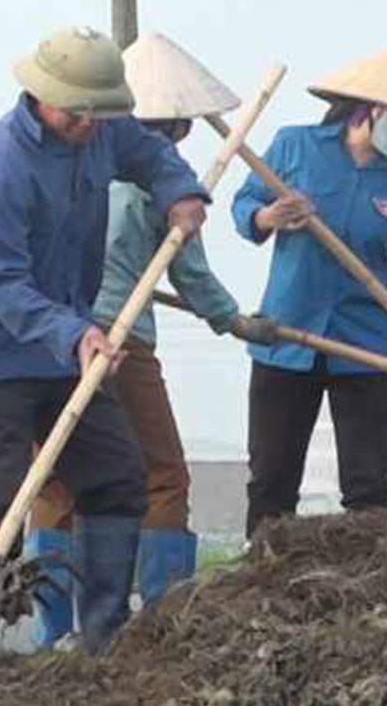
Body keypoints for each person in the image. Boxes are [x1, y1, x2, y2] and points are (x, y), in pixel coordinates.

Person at [0, 25, 209, 670]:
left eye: (97, 114)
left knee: (116, 477)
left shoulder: (103, 129)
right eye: (78, 113)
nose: (89, 125)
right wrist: (73, 333)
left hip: (67, 342)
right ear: (44, 98)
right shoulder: (1, 165)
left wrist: (182, 193)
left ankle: (102, 643)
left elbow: (152, 155)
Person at [22, 33, 277, 646]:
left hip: (51, 336)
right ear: (179, 129)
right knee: (162, 475)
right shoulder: (163, 184)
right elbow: (191, 275)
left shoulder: (77, 164)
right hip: (119, 340)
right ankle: (161, 625)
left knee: (55, 479)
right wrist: (236, 321)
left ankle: (51, 634)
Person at [234, 42, 387, 534]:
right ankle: (261, 567)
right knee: (272, 482)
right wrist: (268, 217)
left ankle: (369, 577)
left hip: (367, 347)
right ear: (372, 109)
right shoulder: (295, 147)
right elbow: (244, 207)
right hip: (287, 336)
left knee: (371, 492)